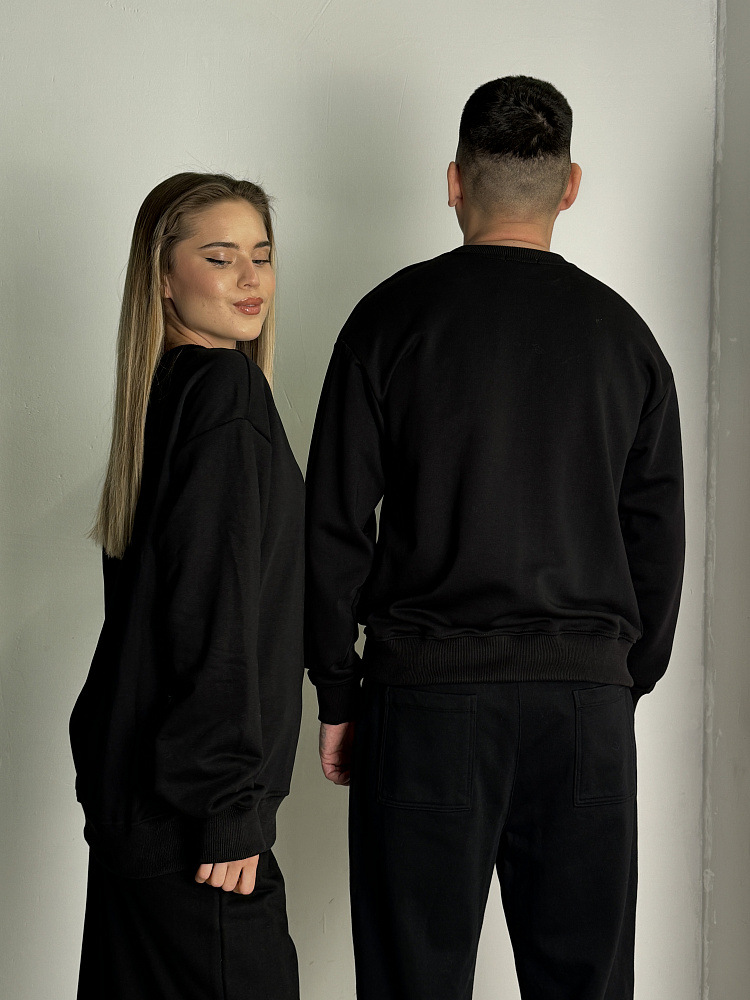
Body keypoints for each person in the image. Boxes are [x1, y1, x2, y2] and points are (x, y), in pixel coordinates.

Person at [305, 76, 685, 1000]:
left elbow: (334, 522)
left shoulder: (388, 321)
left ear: (454, 181)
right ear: (572, 186)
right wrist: (617, 680)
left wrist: (339, 688)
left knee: (412, 982)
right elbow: (657, 534)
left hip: (427, 704)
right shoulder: (626, 339)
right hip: (584, 710)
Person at [69, 172, 304, 1000]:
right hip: (197, 827)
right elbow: (214, 612)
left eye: (261, 256)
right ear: (163, 277)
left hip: (140, 808)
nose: (249, 278)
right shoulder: (223, 394)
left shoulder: (166, 395)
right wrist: (231, 806)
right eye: (220, 256)